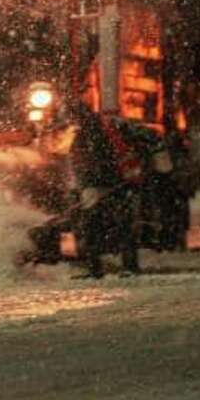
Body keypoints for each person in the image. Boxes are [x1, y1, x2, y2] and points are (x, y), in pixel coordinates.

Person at [67, 98, 142, 278]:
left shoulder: (91, 134)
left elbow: (87, 162)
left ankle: (96, 268)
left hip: (105, 185)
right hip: (110, 184)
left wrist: (87, 185)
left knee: (92, 226)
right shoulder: (102, 129)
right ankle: (127, 266)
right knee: (122, 225)